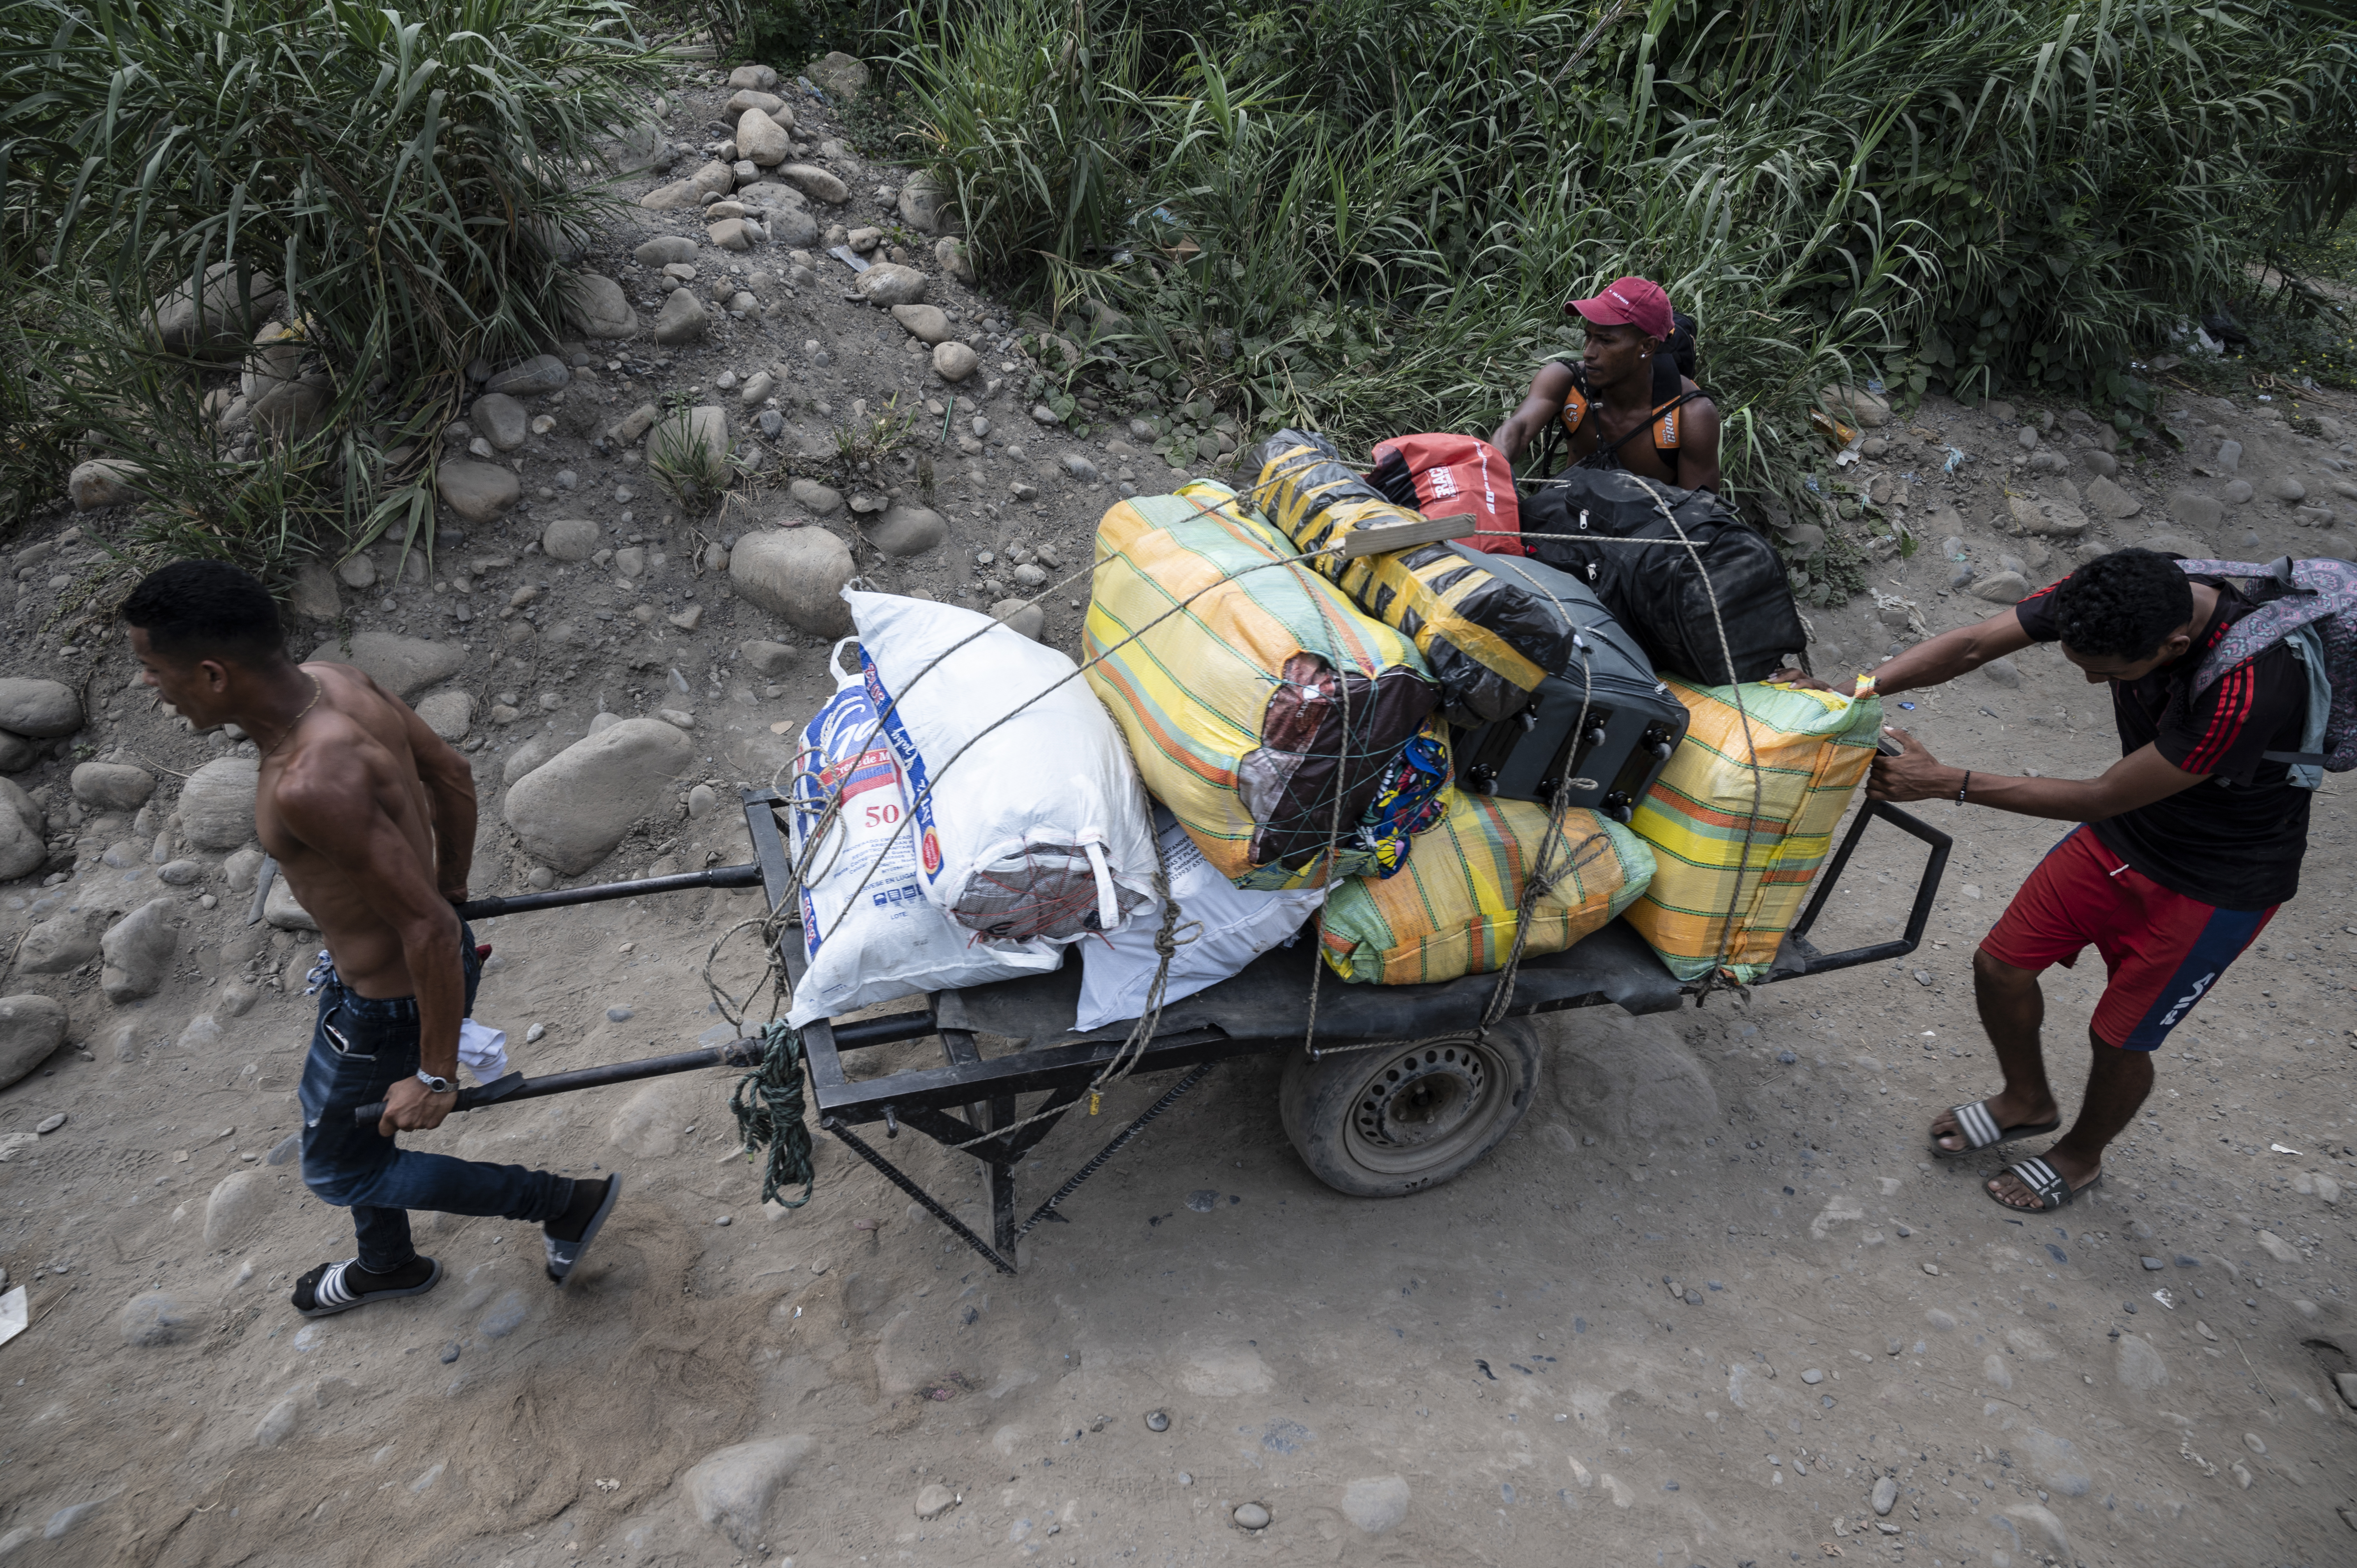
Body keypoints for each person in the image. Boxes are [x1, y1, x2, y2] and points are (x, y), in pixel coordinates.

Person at [122, 560, 623, 1315]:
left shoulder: (309, 779)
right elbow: (451, 772)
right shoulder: (337, 681)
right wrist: (450, 885)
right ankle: (387, 1261)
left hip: (392, 1003)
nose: (149, 686)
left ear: (214, 674)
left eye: (152, 668)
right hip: (395, 977)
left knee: (338, 1169)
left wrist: (436, 1074)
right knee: (343, 1121)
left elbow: (421, 923)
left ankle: (562, 1201)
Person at [1797, 547, 2312, 1212]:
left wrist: (1944, 781)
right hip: (2124, 837)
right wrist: (1853, 692)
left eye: (2107, 672)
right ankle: (2025, 1099)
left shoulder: (2249, 684)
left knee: (2119, 1037)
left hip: (2213, 879)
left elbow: (2101, 793)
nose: (2094, 683)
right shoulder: (2116, 590)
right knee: (1999, 965)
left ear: (2174, 643)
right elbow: (1975, 642)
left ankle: (2079, 1155)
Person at [1490, 274, 1723, 493]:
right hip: (1569, 512)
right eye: (1589, 336)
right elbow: (1518, 430)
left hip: (1648, 531)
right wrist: (1489, 468)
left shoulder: (1690, 413)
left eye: (1606, 341)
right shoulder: (1565, 381)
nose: (1588, 353)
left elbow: (1701, 515)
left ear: (1647, 347)